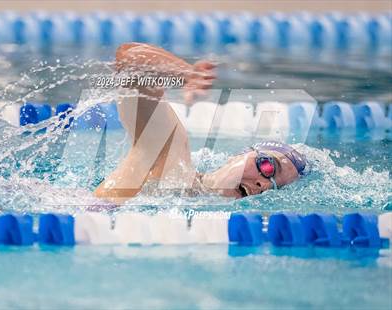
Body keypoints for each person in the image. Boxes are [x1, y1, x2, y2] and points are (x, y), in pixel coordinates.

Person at [94, 43, 307, 204]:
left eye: (275, 189)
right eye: (267, 166)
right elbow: (130, 59)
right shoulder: (171, 157)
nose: (264, 185)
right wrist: (187, 74)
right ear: (238, 156)